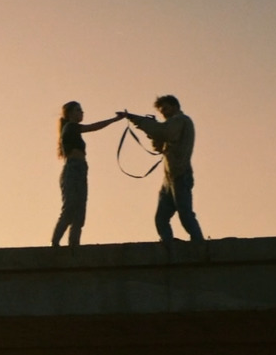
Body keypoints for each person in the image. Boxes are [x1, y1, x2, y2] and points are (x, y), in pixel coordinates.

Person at [125, 94, 204, 243]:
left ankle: (198, 243)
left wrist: (137, 120)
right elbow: (160, 144)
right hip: (169, 177)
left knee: (185, 215)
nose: (164, 113)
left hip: (180, 173)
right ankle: (168, 244)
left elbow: (165, 133)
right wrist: (153, 133)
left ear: (175, 107)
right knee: (161, 218)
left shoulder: (181, 120)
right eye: (162, 111)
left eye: (166, 109)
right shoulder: (172, 124)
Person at [51, 101, 125, 247]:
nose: (82, 113)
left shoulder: (72, 129)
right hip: (73, 169)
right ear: (70, 113)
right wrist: (114, 120)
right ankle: (55, 243)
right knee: (71, 207)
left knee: (80, 210)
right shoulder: (70, 127)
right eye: (78, 110)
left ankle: (74, 245)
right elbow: (93, 127)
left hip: (81, 169)